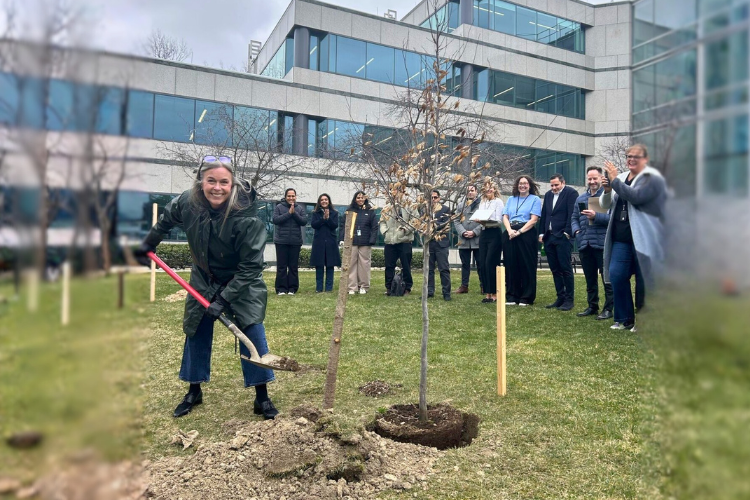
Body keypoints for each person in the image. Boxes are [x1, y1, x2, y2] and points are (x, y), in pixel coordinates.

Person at [133, 155, 278, 420]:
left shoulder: (247, 216)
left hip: (241, 280)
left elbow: (250, 266)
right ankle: (194, 389)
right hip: (203, 276)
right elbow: (166, 219)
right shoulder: (189, 201)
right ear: (201, 181)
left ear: (232, 183)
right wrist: (149, 242)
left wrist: (223, 300)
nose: (217, 187)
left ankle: (262, 396)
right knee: (196, 328)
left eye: (224, 182)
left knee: (252, 330)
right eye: (211, 180)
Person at [601, 144, 667, 332]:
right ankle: (624, 318)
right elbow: (606, 204)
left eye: (635, 156)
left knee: (643, 280)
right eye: (628, 156)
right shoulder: (620, 177)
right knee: (617, 275)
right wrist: (607, 190)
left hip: (644, 239)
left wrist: (614, 182)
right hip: (622, 238)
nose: (630, 159)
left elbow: (635, 197)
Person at [571, 166, 613, 320]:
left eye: (595, 178)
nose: (592, 181)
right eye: (589, 178)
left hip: (602, 244)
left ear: (601, 178)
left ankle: (608, 309)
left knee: (606, 278)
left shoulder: (608, 196)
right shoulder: (580, 198)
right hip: (585, 243)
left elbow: (612, 220)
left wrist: (596, 216)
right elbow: (574, 218)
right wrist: (576, 232)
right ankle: (592, 306)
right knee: (590, 279)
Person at [539, 173, 578, 311]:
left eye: (556, 185)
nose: (554, 188)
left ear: (563, 182)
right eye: (552, 185)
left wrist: (567, 233)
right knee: (555, 269)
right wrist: (542, 233)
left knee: (565, 268)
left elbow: (572, 213)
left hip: (562, 236)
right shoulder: (549, 195)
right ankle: (560, 297)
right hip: (549, 237)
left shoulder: (571, 193)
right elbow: (545, 214)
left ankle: (569, 299)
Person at [501, 175, 542, 306]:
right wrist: (509, 231)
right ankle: (512, 296)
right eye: (520, 183)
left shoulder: (535, 199)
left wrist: (519, 232)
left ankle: (526, 297)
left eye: (525, 183)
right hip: (510, 232)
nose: (522, 185)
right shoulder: (511, 199)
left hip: (526, 233)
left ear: (530, 185)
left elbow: (534, 219)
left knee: (526, 265)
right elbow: (505, 217)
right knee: (511, 265)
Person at [272, 188, 307, 296]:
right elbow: (275, 220)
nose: (291, 198)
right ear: (286, 196)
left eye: (293, 196)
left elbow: (303, 221)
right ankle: (281, 289)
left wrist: (294, 213)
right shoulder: (279, 207)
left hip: (295, 242)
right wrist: (288, 213)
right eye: (289, 196)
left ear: (295, 197)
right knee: (282, 266)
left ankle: (292, 288)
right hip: (281, 241)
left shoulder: (300, 208)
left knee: (293, 266)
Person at [476, 179, 505, 304]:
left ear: (494, 189)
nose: (488, 190)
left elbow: (499, 220)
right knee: (482, 263)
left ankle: (495, 293)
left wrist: (485, 220)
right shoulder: (482, 202)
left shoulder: (498, 202)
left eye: (491, 188)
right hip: (484, 232)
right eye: (486, 188)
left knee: (491, 262)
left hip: (494, 232)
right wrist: (481, 221)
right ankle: (487, 293)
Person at [379, 203, 415, 295]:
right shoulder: (387, 207)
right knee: (389, 266)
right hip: (390, 241)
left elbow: (415, 220)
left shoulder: (410, 205)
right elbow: (382, 221)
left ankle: (407, 287)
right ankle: (389, 287)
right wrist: (385, 232)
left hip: (405, 241)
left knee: (406, 265)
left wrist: (405, 230)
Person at [347, 191, 378, 294]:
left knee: (364, 265)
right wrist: (342, 239)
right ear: (355, 199)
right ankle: (352, 287)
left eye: (362, 197)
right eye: (358, 197)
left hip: (365, 242)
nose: (360, 199)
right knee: (351, 264)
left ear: (365, 199)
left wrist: (372, 240)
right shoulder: (350, 210)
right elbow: (345, 226)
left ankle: (364, 286)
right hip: (352, 241)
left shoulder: (370, 211)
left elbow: (374, 227)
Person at [454, 184, 483, 294]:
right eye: (468, 191)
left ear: (476, 192)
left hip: (477, 240)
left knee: (481, 263)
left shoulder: (482, 205)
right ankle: (464, 286)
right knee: (465, 264)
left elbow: (485, 221)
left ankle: (483, 285)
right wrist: (463, 232)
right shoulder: (460, 205)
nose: (470, 192)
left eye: (472, 190)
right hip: (464, 240)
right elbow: (456, 221)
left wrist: (475, 232)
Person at [310, 193, 341, 293]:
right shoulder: (315, 213)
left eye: (326, 199)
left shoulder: (334, 213)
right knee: (319, 265)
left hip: (330, 242)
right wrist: (323, 218)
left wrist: (328, 218)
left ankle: (329, 288)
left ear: (329, 201)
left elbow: (334, 225)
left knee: (330, 265)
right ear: (319, 202)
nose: (324, 201)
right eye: (322, 200)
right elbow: (314, 225)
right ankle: (319, 288)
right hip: (319, 242)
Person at [427, 190, 452, 301]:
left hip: (441, 243)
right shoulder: (425, 209)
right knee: (429, 269)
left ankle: (446, 293)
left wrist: (432, 224)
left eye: (435, 197)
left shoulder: (445, 209)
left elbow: (445, 224)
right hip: (429, 243)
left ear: (439, 198)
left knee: (444, 269)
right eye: (431, 198)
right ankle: (429, 291)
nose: (433, 200)